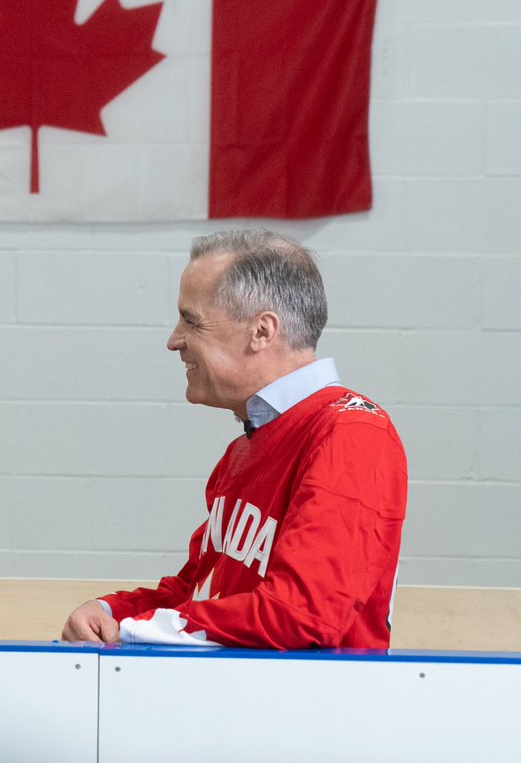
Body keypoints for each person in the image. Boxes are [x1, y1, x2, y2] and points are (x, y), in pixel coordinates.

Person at [62, 229, 407, 650]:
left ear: (261, 331)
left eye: (191, 320)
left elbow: (302, 613)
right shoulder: (245, 448)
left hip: (312, 711)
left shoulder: (352, 433)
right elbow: (198, 592)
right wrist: (109, 612)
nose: (174, 341)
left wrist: (135, 630)